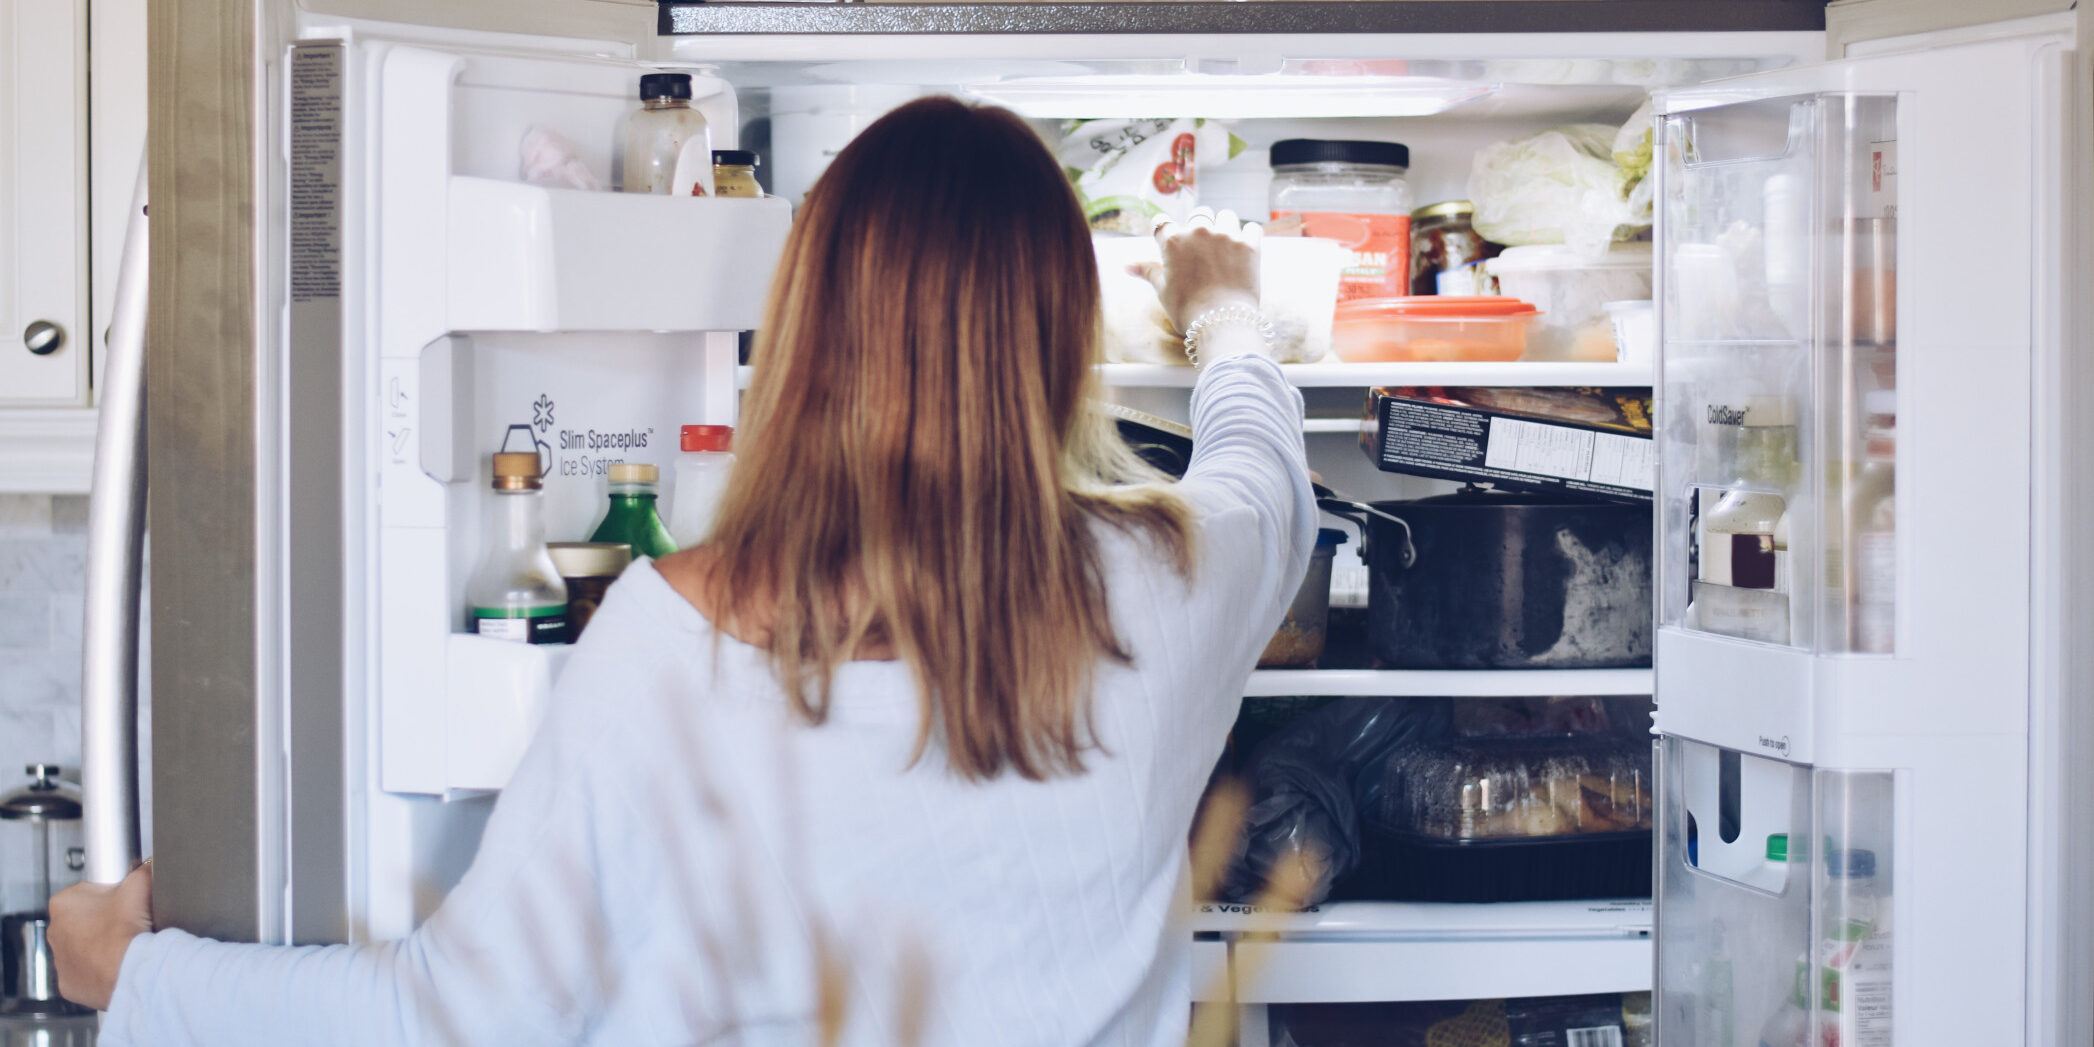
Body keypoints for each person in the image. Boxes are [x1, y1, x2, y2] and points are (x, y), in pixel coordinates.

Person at [51, 96, 1314, 1046]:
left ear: (810, 320)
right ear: (1061, 337)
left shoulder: (676, 635)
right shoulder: (1174, 585)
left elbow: (461, 1016)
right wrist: (1224, 307)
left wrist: (138, 976)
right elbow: (1265, 466)